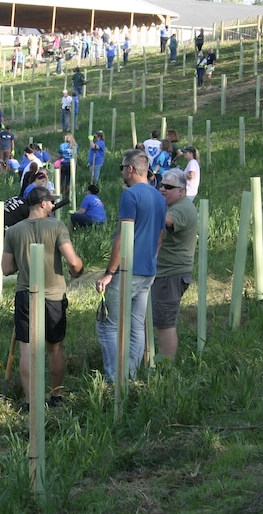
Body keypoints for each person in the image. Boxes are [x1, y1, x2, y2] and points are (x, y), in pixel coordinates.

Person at [2, 187, 84, 407]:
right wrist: (78, 270)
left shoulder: (13, 231)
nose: (52, 206)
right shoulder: (57, 226)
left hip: (25, 295)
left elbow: (6, 268)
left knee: (26, 349)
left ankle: (31, 401)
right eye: (50, 202)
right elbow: (74, 262)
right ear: (42, 203)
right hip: (53, 296)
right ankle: (56, 396)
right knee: (54, 348)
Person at [94, 150, 167, 384]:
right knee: (136, 327)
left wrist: (109, 273)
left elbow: (123, 237)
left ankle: (116, 380)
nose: (122, 172)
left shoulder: (130, 195)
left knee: (110, 326)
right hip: (148, 271)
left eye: (122, 167)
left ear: (131, 169)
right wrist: (151, 258)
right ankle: (131, 375)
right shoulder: (158, 197)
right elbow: (160, 236)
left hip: (128, 271)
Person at [151, 169, 198, 359]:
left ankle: (166, 367)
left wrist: (145, 205)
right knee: (160, 320)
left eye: (168, 187)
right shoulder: (174, 204)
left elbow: (166, 221)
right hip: (166, 272)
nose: (162, 189)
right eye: (161, 185)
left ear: (181, 190)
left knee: (165, 323)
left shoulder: (181, 208)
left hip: (171, 273)